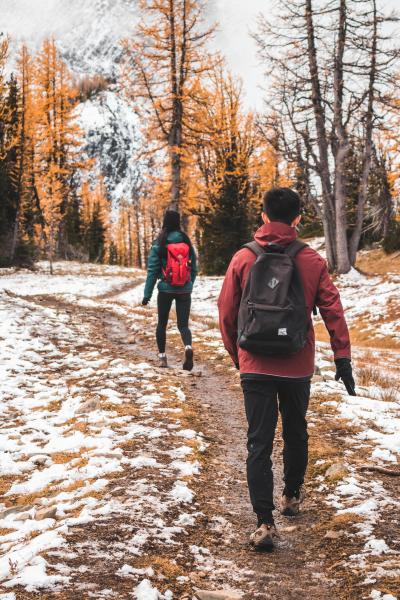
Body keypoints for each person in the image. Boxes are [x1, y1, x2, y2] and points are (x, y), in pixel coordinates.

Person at [218, 187, 354, 550]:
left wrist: (239, 357)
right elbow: (332, 309)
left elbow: (227, 313)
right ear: (297, 219)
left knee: (258, 441)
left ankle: (264, 522)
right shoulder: (310, 259)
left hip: (255, 365)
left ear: (263, 216)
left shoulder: (243, 258)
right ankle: (292, 496)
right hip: (297, 364)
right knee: (296, 429)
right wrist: (343, 356)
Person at [142, 209, 198, 370]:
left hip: (165, 290)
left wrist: (147, 295)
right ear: (178, 222)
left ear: (165, 223)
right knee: (183, 325)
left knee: (162, 324)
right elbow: (194, 268)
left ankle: (162, 358)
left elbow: (152, 271)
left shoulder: (160, 243)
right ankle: (187, 346)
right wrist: (188, 284)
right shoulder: (186, 242)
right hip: (184, 290)